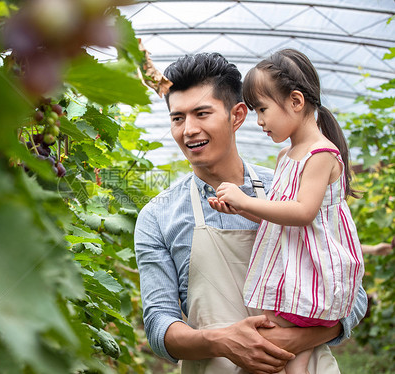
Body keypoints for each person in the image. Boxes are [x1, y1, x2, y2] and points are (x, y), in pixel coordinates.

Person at [134, 52, 368, 374]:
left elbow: (350, 293)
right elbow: (160, 326)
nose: (188, 130)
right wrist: (222, 341)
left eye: (202, 113)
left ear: (238, 115)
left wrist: (292, 341)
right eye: (177, 118)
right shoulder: (158, 216)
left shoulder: (293, 185)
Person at [206, 49, 365, 374]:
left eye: (262, 109)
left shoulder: (321, 154)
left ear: (295, 101)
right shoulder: (286, 156)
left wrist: (246, 199)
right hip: (292, 273)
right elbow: (276, 217)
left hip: (308, 276)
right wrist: (239, 206)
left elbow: (303, 212)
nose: (260, 121)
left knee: (272, 347)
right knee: (294, 360)